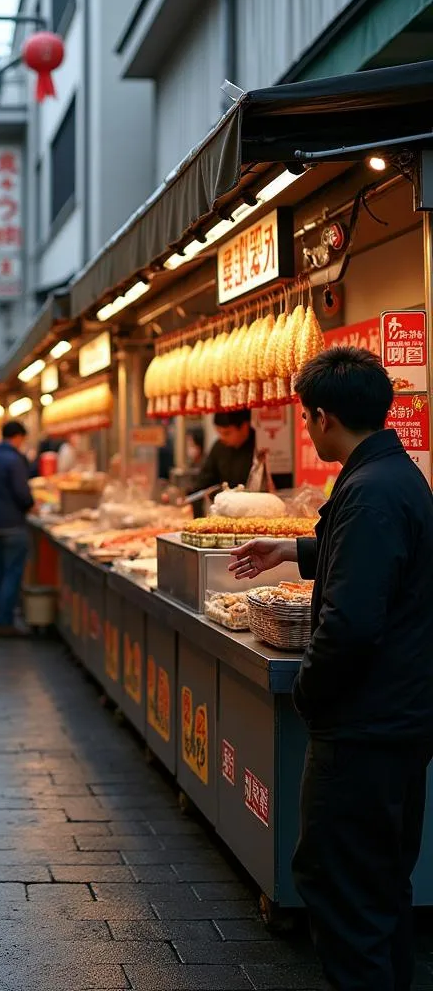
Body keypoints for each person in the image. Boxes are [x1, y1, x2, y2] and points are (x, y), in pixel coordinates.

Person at [229, 346, 433, 991]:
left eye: (306, 417)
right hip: (396, 716)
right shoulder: (390, 476)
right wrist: (292, 547)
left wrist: (312, 695)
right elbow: (369, 555)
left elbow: (350, 624)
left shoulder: (370, 491)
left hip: (366, 725)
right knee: (376, 884)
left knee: (340, 886)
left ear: (321, 416)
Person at [0, 420, 34, 637]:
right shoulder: (14, 461)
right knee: (12, 573)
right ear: (18, 437)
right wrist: (31, 504)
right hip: (12, 525)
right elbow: (22, 494)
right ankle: (5, 621)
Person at [193, 408, 256, 490]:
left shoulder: (259, 446)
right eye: (219, 432)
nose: (222, 438)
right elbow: (205, 481)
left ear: (244, 427)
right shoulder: (219, 447)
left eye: (227, 433)